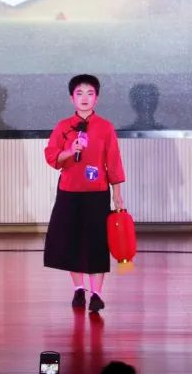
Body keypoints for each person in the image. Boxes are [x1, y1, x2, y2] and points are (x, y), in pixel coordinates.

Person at [43, 74, 126, 313]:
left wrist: (117, 193)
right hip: (69, 192)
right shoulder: (63, 127)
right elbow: (52, 156)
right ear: (72, 98)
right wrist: (71, 150)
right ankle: (78, 289)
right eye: (79, 93)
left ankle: (96, 294)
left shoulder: (105, 127)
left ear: (96, 98)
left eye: (90, 93)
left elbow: (114, 162)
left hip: (97, 193)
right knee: (71, 242)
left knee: (96, 244)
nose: (85, 98)